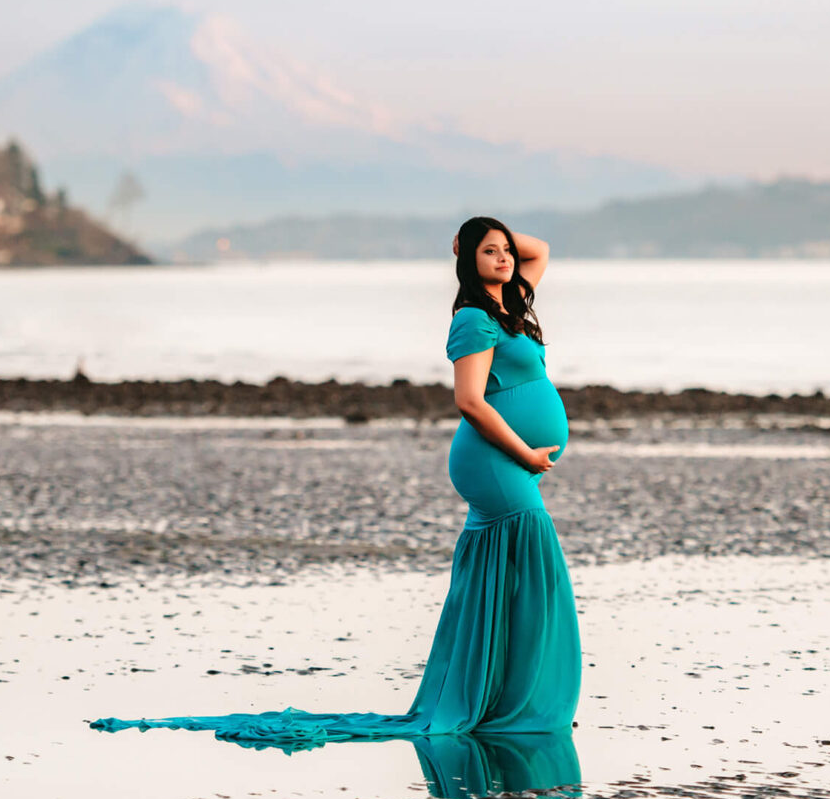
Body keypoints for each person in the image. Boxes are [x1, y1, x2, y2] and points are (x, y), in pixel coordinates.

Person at [90, 217, 581, 746]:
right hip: (495, 461)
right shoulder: (472, 319)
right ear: (468, 264)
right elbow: (469, 401)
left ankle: (505, 699)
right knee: (537, 570)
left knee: (510, 581)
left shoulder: (513, 301)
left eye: (506, 250)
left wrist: (482, 232)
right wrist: (524, 453)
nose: (505, 259)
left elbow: (541, 248)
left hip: (514, 460)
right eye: (490, 253)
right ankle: (516, 702)